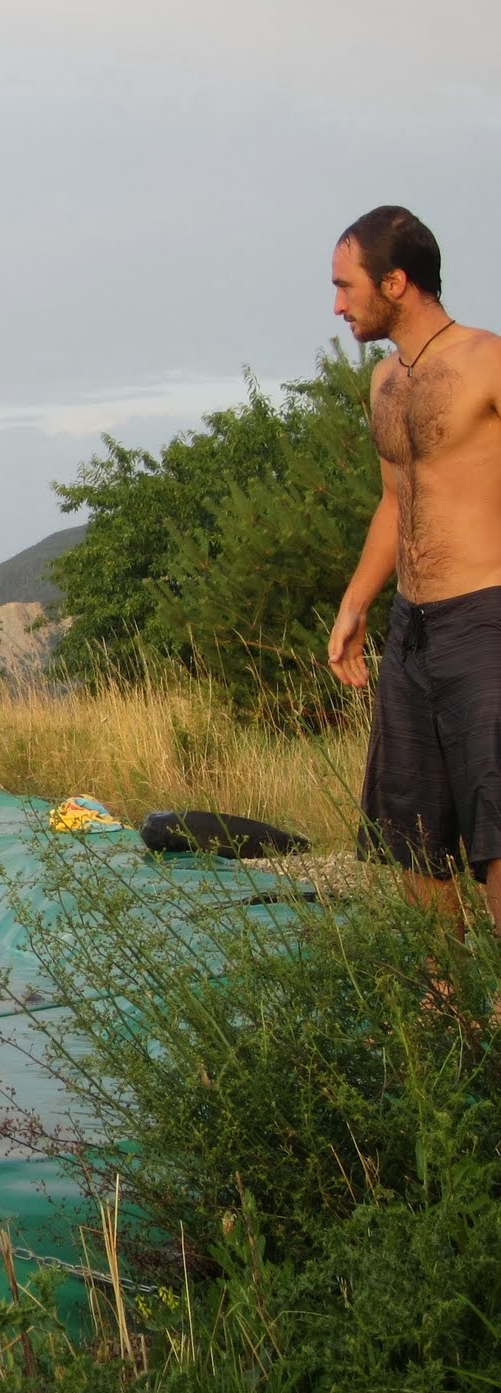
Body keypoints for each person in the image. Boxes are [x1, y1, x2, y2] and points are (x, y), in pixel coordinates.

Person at [326, 206, 501, 926]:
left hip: (486, 618)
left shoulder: (488, 360)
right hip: (411, 631)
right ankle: (445, 995)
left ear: (395, 282)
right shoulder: (383, 383)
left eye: (346, 286)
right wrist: (355, 604)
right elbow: (395, 502)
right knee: (413, 835)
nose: (338, 306)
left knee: (497, 822)